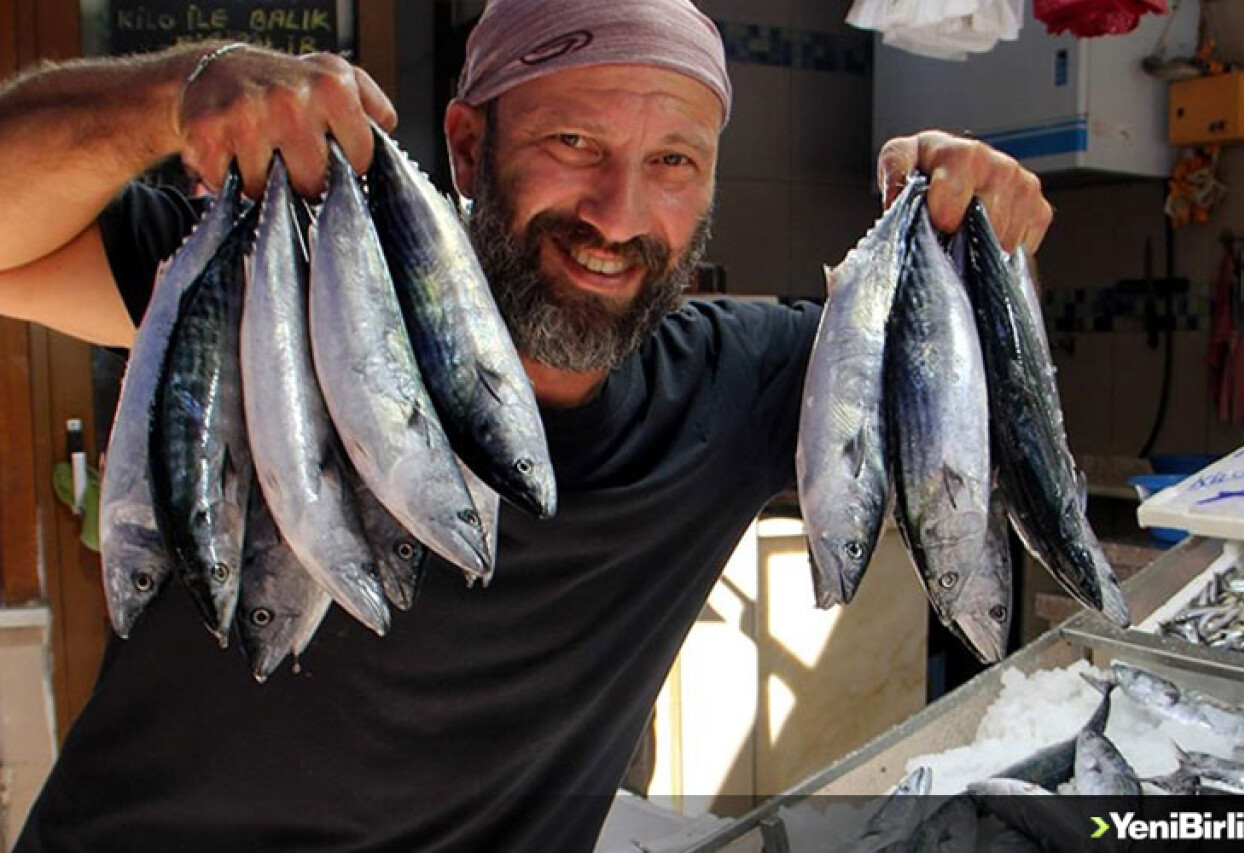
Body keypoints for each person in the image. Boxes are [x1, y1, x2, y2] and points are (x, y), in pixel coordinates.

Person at [0, 1, 1052, 850]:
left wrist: (981, 234)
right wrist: (171, 97)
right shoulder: (287, 292)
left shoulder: (749, 382)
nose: (618, 211)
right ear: (464, 147)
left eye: (674, 163)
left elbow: (954, 413)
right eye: (571, 140)